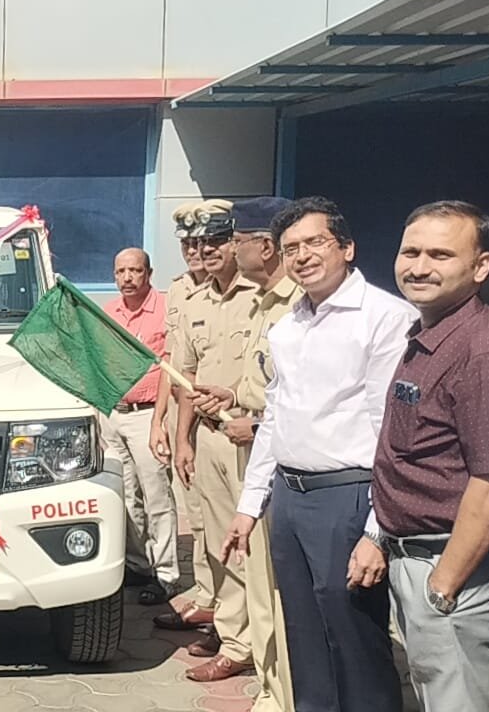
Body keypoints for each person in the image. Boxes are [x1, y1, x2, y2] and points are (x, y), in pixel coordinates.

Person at [215, 197, 411, 711]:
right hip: (290, 497)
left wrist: (377, 531)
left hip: (348, 497)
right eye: (291, 248)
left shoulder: (385, 319)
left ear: (347, 248)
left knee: (354, 637)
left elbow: (393, 433)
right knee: (304, 636)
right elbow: (275, 418)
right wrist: (249, 505)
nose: (302, 256)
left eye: (315, 243)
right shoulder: (288, 326)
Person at [373, 201, 489, 712]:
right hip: (416, 559)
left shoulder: (483, 352)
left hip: (453, 568)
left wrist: (443, 587)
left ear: (481, 266)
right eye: (411, 252)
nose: (420, 266)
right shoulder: (430, 334)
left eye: (441, 255)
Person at [187, 197, 296, 709]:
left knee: (266, 573)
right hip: (228, 436)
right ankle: (248, 655)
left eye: (231, 240)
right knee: (231, 552)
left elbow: (304, 396)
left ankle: (276, 676)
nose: (221, 249)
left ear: (264, 247)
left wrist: (254, 421)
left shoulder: (294, 305)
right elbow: (259, 378)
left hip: (268, 450)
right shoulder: (265, 303)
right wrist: (231, 397)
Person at [173, 201, 260, 681]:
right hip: (208, 438)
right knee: (215, 544)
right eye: (198, 243)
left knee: (251, 545)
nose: (205, 251)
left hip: (250, 436)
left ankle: (251, 641)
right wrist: (183, 439)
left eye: (216, 242)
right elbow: (185, 377)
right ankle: (232, 633)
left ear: (236, 244)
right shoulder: (194, 302)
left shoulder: (262, 298)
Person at [151, 202, 221, 634]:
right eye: (187, 245)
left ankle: (219, 603)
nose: (194, 252)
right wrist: (159, 419)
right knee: (194, 513)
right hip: (182, 412)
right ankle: (207, 596)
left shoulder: (228, 290)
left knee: (215, 515)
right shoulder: (177, 290)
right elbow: (172, 363)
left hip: (214, 412)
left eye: (202, 243)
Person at [100, 248, 178, 606]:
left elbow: (171, 368)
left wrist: (160, 420)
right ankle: (138, 564)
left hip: (148, 415)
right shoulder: (108, 312)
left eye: (135, 270)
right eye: (121, 272)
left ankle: (166, 574)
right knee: (126, 494)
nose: (127, 278)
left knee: (156, 494)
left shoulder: (165, 309)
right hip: (113, 414)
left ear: (149, 273)